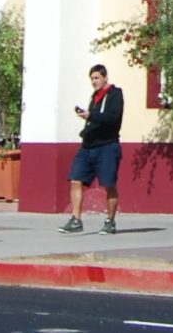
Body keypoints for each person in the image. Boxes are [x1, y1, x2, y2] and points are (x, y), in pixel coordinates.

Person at [61, 63, 124, 235]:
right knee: (75, 179)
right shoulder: (94, 97)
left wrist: (91, 115)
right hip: (88, 146)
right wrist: (87, 118)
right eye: (92, 79)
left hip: (107, 146)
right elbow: (95, 118)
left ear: (105, 77)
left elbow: (112, 118)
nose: (94, 82)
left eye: (97, 78)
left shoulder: (115, 94)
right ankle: (76, 220)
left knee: (108, 184)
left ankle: (110, 221)